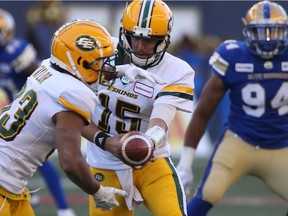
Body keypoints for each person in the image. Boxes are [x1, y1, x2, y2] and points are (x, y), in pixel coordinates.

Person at [0, 18, 163, 216]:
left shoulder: (48, 68)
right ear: (79, 61)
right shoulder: (74, 93)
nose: (105, 65)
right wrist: (98, 191)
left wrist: (120, 70)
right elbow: (70, 162)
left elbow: (85, 70)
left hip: (11, 185)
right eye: (99, 61)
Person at [175, 1, 288, 215]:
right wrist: (186, 163)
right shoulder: (233, 56)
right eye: (259, 33)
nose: (266, 40)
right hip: (238, 143)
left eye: (273, 32)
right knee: (208, 194)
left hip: (281, 147)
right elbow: (203, 113)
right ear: (247, 31)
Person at [82, 0, 195, 215]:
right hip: (105, 163)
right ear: (124, 33)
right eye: (135, 38)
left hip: (151, 162)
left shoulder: (178, 70)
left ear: (164, 40)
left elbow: (161, 120)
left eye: (150, 40)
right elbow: (72, 116)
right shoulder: (99, 52)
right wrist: (106, 143)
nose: (141, 47)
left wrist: (148, 143)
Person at [0, 8, 76, 216]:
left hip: (33, 109)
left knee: (38, 158)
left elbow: (39, 78)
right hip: (18, 108)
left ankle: (63, 208)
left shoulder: (16, 49)